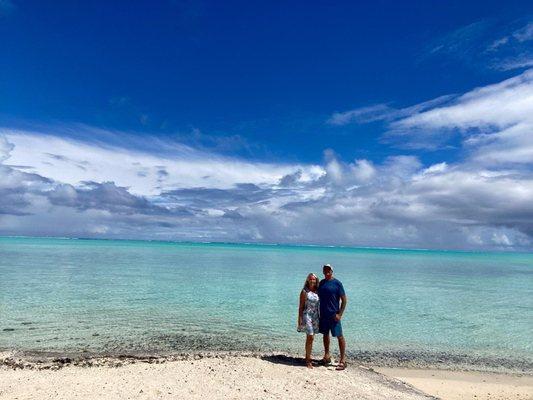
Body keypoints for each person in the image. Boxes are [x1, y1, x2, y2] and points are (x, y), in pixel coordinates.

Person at [318, 263, 347, 370]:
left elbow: (344, 300)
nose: (327, 271)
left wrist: (340, 314)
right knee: (325, 335)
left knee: (339, 336)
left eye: (328, 269)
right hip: (323, 315)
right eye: (325, 270)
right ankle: (327, 356)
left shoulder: (337, 283)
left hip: (334, 315)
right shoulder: (321, 283)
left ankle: (343, 360)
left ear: (332, 271)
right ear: (323, 271)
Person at [297, 273, 320, 368]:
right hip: (307, 316)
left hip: (316, 316)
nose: (312, 281)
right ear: (307, 280)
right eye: (310, 279)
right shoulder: (304, 291)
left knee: (312, 338)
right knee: (310, 336)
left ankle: (308, 357)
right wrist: (300, 320)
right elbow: (301, 307)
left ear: (316, 280)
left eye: (314, 279)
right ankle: (307, 360)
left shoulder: (317, 291)